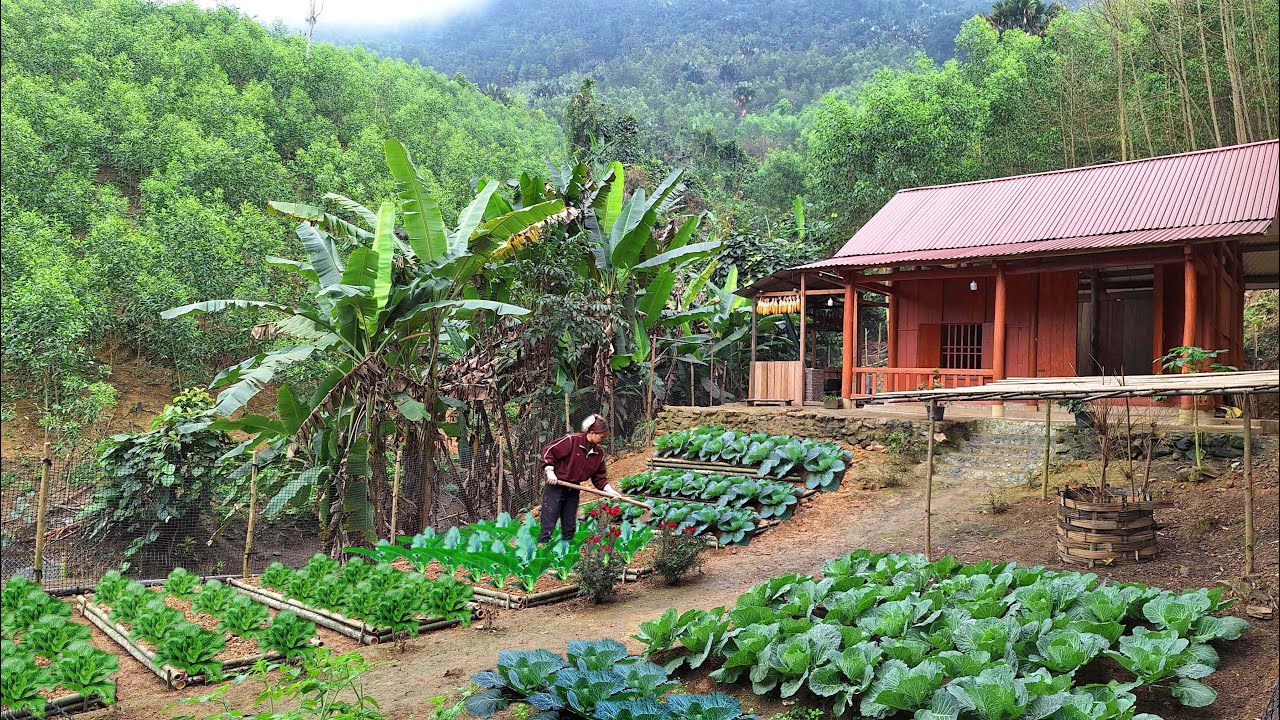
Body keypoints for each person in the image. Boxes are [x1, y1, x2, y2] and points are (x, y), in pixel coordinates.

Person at [538, 414, 620, 543]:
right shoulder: (572, 441)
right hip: (556, 486)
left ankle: (566, 550)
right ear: (592, 433)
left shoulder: (598, 454)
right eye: (601, 436)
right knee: (549, 521)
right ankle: (542, 547)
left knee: (569, 523)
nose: (603, 440)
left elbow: (599, 477)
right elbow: (549, 451)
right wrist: (550, 471)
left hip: (573, 488)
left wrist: (610, 491)